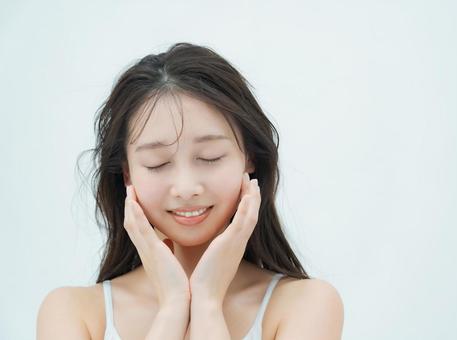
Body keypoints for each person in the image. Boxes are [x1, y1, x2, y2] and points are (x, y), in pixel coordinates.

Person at [36, 42, 344, 340]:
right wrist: (173, 307)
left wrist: (208, 303)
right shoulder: (72, 312)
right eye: (157, 164)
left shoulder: (306, 305)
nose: (185, 188)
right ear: (127, 172)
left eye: (210, 157)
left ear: (248, 157)